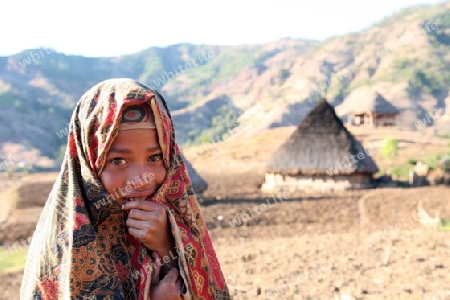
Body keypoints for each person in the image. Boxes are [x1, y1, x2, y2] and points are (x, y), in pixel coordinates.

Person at [20, 78, 231, 299]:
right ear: (88, 161)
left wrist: (167, 245)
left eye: (155, 157)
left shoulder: (178, 224)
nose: (140, 179)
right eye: (118, 161)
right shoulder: (62, 250)